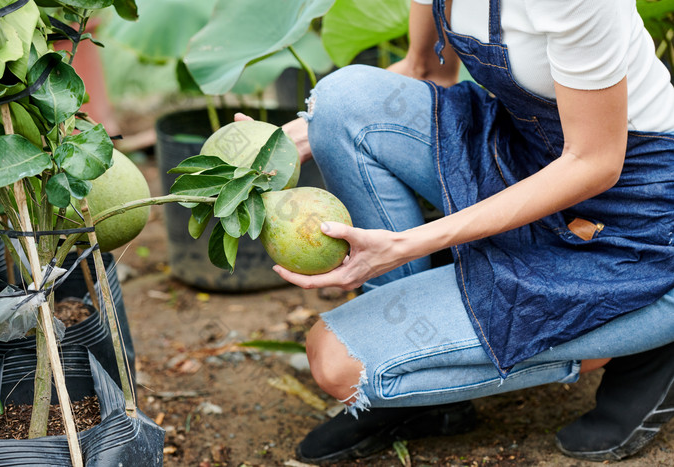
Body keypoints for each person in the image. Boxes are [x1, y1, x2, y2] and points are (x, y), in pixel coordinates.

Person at [239, 0, 674, 463]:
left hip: (634, 225)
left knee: (341, 364)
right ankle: (423, 394)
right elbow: (426, 70)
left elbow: (594, 163)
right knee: (338, 102)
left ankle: (639, 343)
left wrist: (409, 245)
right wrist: (294, 139)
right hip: (524, 161)